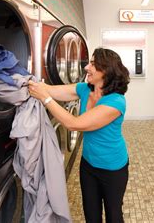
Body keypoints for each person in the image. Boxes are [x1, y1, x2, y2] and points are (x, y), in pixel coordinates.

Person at [28, 47, 130, 223]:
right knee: (91, 215)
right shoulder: (84, 89)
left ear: (105, 70)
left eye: (92, 64)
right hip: (88, 165)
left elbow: (74, 124)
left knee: (114, 216)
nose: (86, 68)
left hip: (113, 168)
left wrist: (45, 99)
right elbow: (51, 90)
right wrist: (29, 82)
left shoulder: (116, 102)